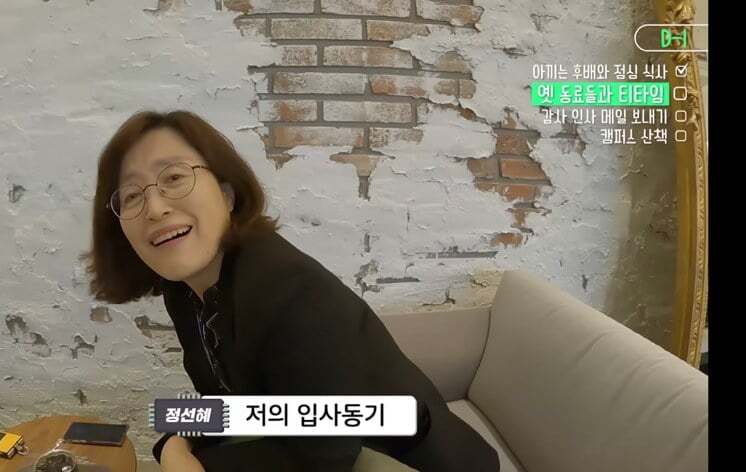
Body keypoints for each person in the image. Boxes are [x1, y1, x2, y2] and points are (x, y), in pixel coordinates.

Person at [82, 110, 500, 472]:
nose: (155, 208)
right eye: (132, 195)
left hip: (412, 458)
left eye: (173, 177)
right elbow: (241, 405)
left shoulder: (291, 293)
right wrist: (174, 439)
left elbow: (323, 456)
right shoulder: (185, 290)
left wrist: (194, 460)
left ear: (227, 194)